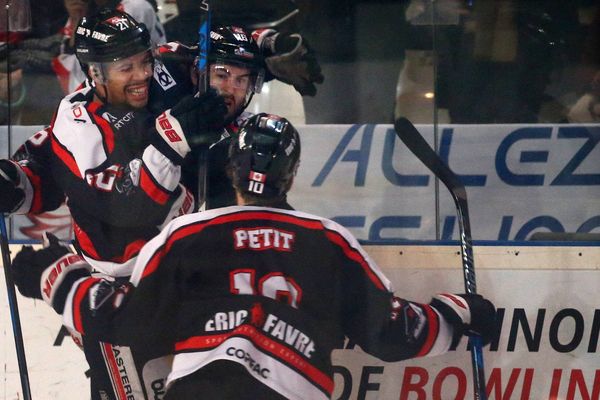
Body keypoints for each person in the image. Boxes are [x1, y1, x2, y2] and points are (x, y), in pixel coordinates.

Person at [11, 113, 496, 400]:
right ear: (292, 173)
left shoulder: (187, 232)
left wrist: (58, 275)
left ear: (232, 170)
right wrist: (460, 315)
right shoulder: (327, 239)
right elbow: (392, 334)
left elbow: (128, 323)